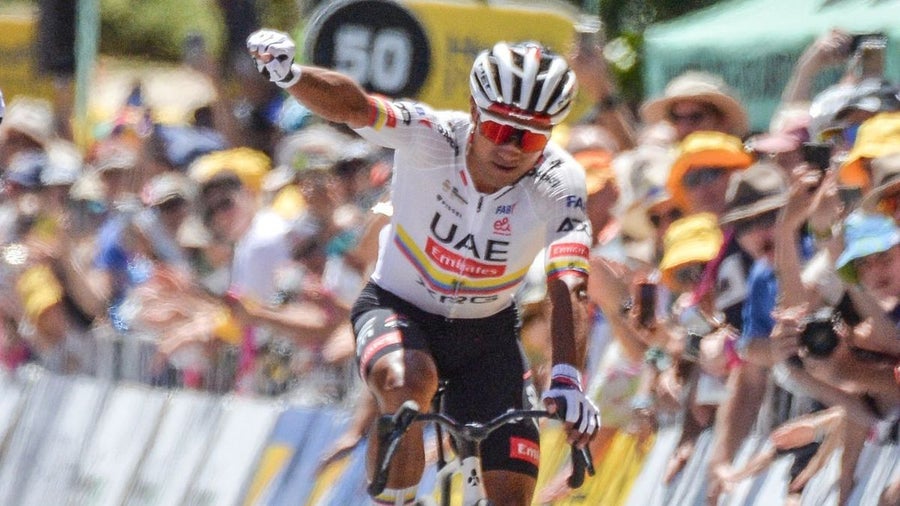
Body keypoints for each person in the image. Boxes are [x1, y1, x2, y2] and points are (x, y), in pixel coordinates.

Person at [246, 29, 600, 505]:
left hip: (487, 336)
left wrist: (568, 379)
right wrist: (290, 75)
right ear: (475, 111)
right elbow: (355, 106)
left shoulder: (560, 181)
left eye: (531, 136)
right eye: (499, 130)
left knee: (511, 496)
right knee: (406, 383)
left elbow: (570, 283)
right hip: (398, 307)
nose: (512, 148)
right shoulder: (431, 135)